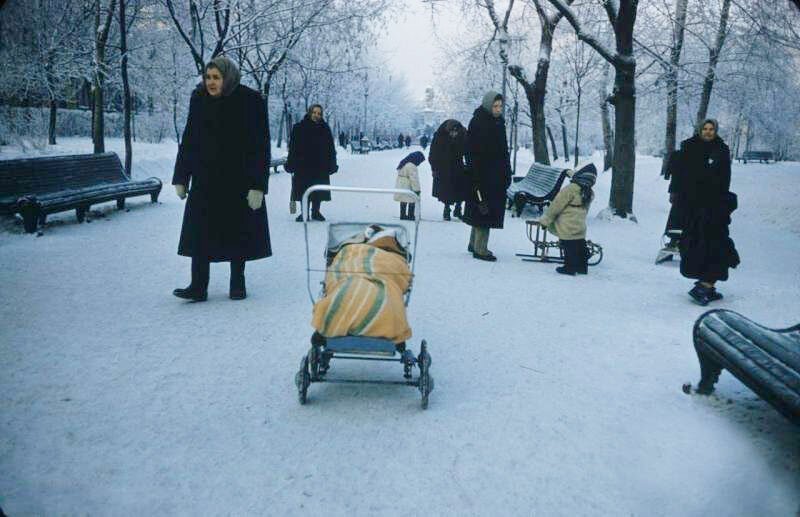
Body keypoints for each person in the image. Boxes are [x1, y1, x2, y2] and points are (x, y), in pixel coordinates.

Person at [172, 56, 271, 302]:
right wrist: (181, 177)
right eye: (208, 77)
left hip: (238, 180)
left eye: (216, 77)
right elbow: (189, 141)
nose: (211, 82)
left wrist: (258, 185)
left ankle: (237, 282)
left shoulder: (250, 101)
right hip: (205, 179)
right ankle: (198, 285)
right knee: (200, 231)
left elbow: (261, 146)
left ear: (228, 78)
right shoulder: (199, 100)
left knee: (237, 229)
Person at [676, 118, 740, 305]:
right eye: (705, 128)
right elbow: (683, 177)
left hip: (715, 207)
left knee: (716, 245)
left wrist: (722, 203)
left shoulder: (721, 149)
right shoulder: (690, 148)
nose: (708, 132)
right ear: (700, 130)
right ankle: (704, 286)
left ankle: (708, 285)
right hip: (694, 207)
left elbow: (724, 178)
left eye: (711, 129)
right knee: (700, 244)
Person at [462, 91, 512, 262]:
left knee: (481, 207)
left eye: (500, 106)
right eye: (495, 106)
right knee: (484, 208)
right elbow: (472, 151)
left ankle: (473, 243)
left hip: (494, 174)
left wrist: (505, 171)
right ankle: (480, 249)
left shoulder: (496, 122)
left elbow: (503, 151)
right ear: (488, 105)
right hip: (485, 175)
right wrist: (477, 174)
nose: (498, 109)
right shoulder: (481, 122)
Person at [538, 164, 597, 275]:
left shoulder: (570, 189)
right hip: (579, 224)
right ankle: (582, 267)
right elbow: (586, 209)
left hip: (567, 223)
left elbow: (556, 205)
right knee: (579, 243)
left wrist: (545, 221)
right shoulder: (589, 192)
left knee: (568, 244)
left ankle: (569, 267)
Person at [286, 104, 338, 222]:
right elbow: (293, 147)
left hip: (320, 165)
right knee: (303, 189)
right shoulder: (299, 127)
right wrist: (291, 163)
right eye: (314, 112)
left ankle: (316, 212)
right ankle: (303, 213)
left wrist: (332, 163)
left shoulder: (325, 128)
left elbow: (330, 147)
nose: (316, 115)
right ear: (310, 113)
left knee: (318, 189)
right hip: (303, 165)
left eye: (319, 113)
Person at [429, 119, 468, 221]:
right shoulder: (440, 137)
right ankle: (446, 210)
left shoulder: (463, 135)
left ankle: (458, 209)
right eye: (452, 131)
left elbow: (468, 150)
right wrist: (434, 168)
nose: (454, 133)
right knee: (446, 191)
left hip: (458, 166)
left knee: (461, 189)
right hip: (444, 168)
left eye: (456, 131)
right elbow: (433, 153)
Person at [394, 151, 424, 220]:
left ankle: (402, 214)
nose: (419, 163)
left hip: (401, 183)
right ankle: (411, 215)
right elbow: (414, 179)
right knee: (412, 199)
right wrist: (417, 190)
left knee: (403, 199)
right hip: (408, 184)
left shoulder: (404, 163)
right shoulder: (412, 166)